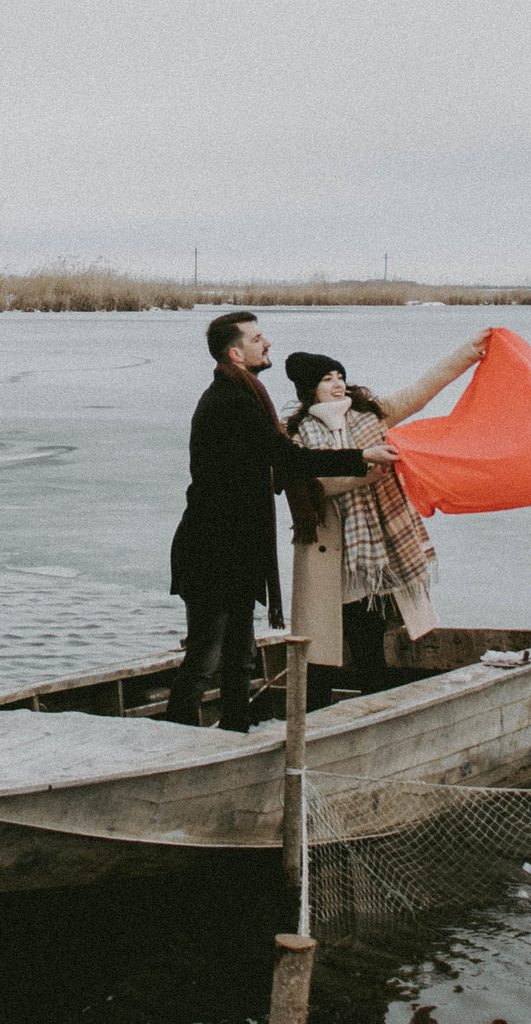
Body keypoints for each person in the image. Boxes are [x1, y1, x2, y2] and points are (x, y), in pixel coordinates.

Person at [165, 311, 396, 730]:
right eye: (257, 339)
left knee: (239, 655)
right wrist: (361, 457)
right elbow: (287, 457)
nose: (267, 343)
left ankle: (235, 732)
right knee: (206, 657)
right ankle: (175, 740)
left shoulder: (244, 394)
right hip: (211, 551)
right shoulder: (232, 401)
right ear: (236, 353)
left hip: (234, 549)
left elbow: (267, 466)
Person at [283, 333, 488, 698]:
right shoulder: (296, 434)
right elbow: (311, 485)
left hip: (375, 553)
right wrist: (365, 467)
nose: (337, 384)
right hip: (328, 555)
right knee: (318, 650)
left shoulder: (373, 414)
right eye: (327, 379)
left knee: (368, 639)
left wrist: (469, 352)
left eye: (339, 376)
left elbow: (422, 389)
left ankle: (372, 710)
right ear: (309, 389)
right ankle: (312, 720)